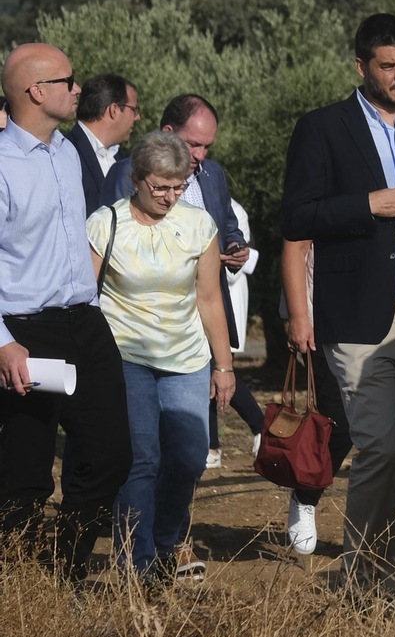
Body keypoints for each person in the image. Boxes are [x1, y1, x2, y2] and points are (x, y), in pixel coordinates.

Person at [281, 13, 395, 593]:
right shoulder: (323, 128)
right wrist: (366, 205)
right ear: (361, 66)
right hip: (360, 319)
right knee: (381, 446)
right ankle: (360, 577)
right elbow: (296, 217)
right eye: (389, 66)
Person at [0, 44, 132, 581]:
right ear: (36, 91)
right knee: (24, 473)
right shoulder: (2, 164)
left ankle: (63, 570)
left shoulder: (66, 153)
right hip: (26, 332)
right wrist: (3, 343)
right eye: (68, 80)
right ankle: (21, 593)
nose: (78, 88)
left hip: (85, 320)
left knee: (111, 455)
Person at [89, 131, 235, 582]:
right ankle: (137, 563)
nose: (170, 197)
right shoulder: (104, 224)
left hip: (187, 357)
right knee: (143, 457)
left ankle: (168, 539)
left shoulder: (198, 224)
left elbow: (210, 298)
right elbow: (84, 298)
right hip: (125, 355)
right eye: (160, 187)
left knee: (191, 456)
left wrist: (224, 365)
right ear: (135, 180)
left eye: (178, 187)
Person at [104, 94, 251, 420]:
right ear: (168, 131)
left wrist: (234, 245)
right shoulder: (127, 173)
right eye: (193, 144)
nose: (200, 155)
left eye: (207, 146)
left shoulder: (213, 173)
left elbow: (226, 220)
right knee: (146, 441)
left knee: (190, 437)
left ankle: (203, 451)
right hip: (142, 325)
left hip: (202, 305)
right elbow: (112, 239)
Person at [280, 238, 355, 555]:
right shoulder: (319, 189)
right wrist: (298, 316)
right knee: (337, 422)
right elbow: (294, 245)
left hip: (381, 314)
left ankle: (379, 528)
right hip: (322, 320)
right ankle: (306, 495)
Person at [212, 198, 266, 464]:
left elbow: (236, 268)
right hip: (199, 303)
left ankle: (260, 425)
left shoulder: (235, 211)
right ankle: (211, 447)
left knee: (219, 368)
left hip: (223, 302)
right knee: (206, 372)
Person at [66, 73, 140, 216]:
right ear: (114, 110)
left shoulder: (122, 158)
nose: (137, 117)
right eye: (134, 110)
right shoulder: (66, 152)